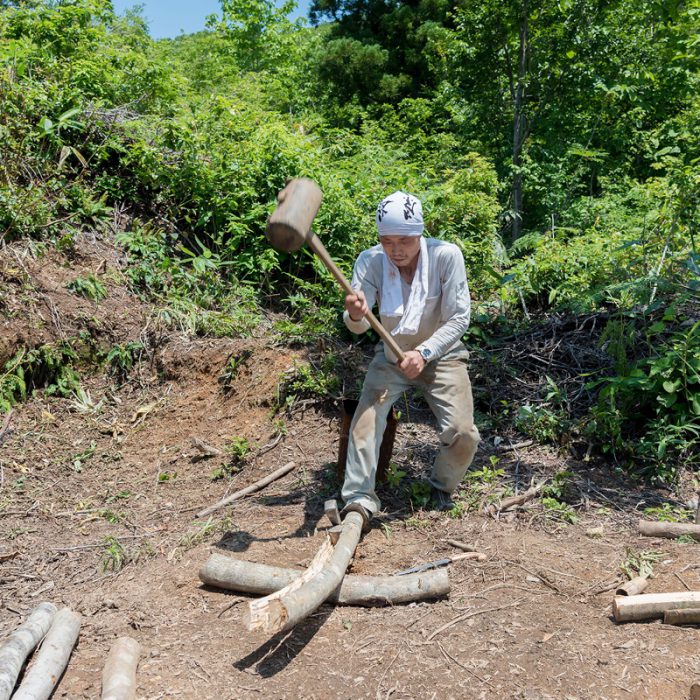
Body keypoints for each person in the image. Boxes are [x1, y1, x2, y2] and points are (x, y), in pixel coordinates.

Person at [341, 191, 480, 526]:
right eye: (387, 241)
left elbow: (460, 318)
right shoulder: (370, 260)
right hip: (391, 357)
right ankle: (358, 499)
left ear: (421, 233)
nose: (396, 249)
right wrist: (355, 313)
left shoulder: (447, 256)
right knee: (365, 422)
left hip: (442, 355)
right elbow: (357, 328)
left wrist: (424, 352)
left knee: (464, 433)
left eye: (404, 240)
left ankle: (441, 486)